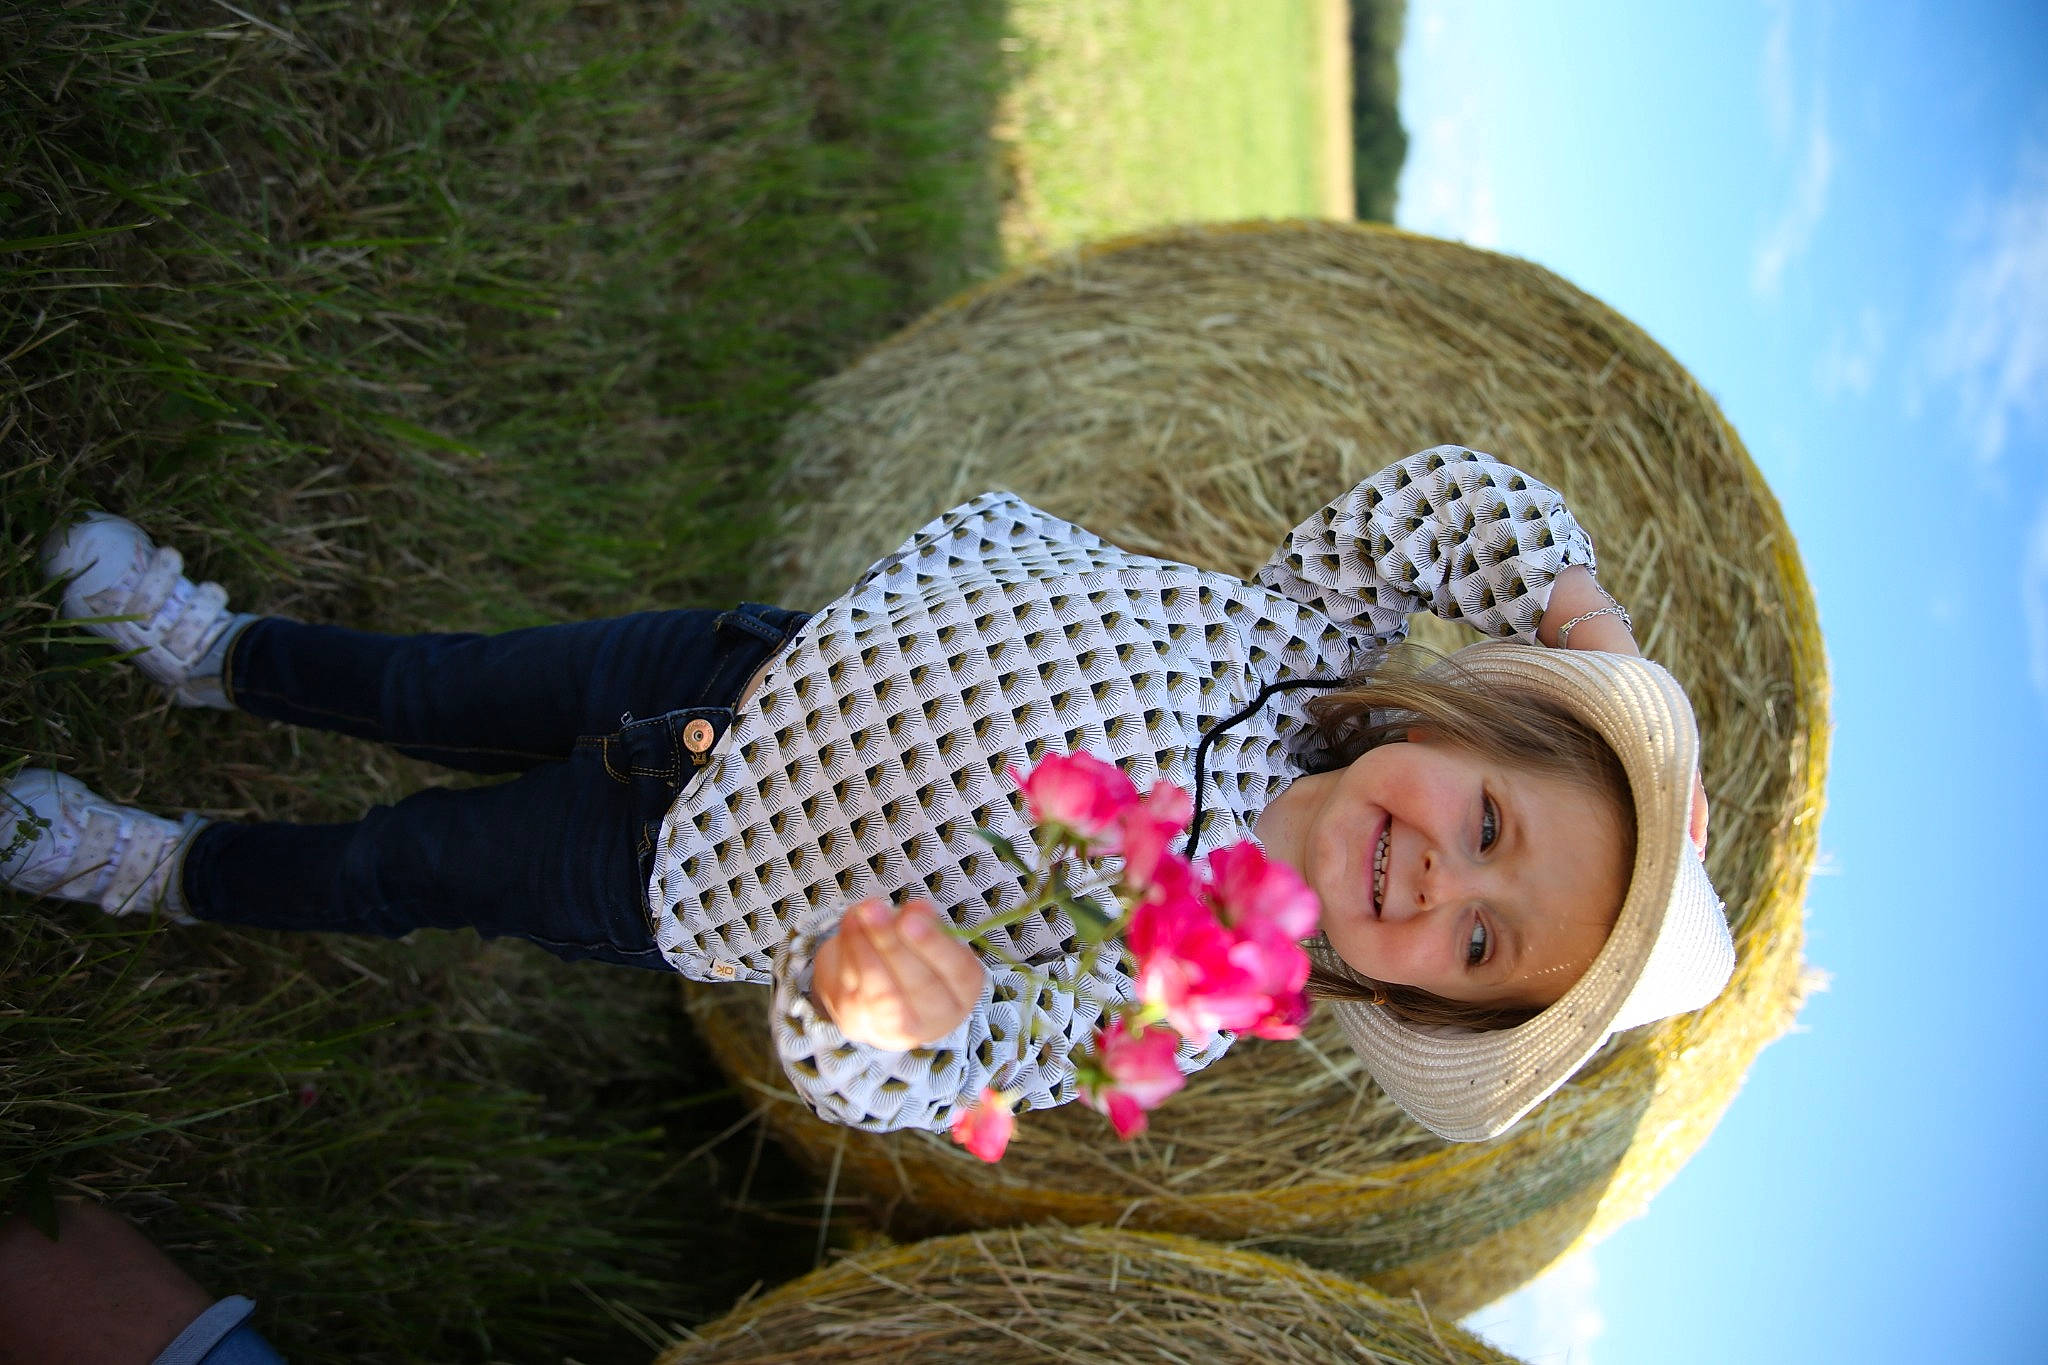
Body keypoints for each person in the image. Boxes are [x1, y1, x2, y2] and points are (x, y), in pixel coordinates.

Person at [4, 445, 1730, 1142]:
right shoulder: (1305, 634)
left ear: (1427, 995)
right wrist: (1598, 640)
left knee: (404, 863)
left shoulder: (1191, 992)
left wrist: (881, 1017)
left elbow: (966, 1070)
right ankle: (220, 650)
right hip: (736, 663)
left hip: (678, 863)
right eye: (1494, 822)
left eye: (1485, 941)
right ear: (1467, 724)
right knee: (436, 680)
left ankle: (163, 864)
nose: (1444, 879)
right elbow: (1441, 501)